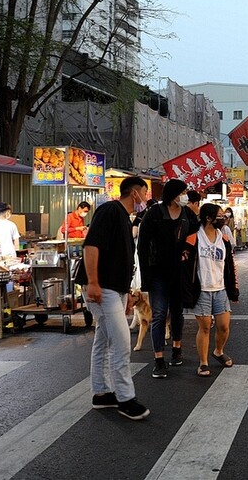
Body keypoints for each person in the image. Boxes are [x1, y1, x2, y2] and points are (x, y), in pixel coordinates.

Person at [77, 176, 150, 420]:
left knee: (105, 340)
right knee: (121, 342)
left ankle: (101, 393)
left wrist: (128, 292)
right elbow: (91, 247)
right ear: (135, 193)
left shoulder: (124, 218)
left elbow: (122, 260)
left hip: (116, 289)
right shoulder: (110, 210)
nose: (146, 198)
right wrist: (94, 282)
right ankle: (125, 398)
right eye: (145, 192)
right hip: (102, 288)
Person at [137, 179, 199, 378]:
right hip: (158, 273)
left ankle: (177, 347)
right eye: (183, 192)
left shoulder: (188, 214)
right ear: (173, 194)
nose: (185, 196)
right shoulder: (154, 213)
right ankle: (159, 359)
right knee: (159, 314)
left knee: (177, 313)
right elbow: (143, 246)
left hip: (180, 273)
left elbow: (197, 238)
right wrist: (145, 276)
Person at [182, 203, 240, 378]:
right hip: (202, 290)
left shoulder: (224, 239)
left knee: (223, 326)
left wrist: (234, 289)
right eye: (220, 216)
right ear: (208, 218)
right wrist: (187, 292)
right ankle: (203, 363)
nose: (223, 218)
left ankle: (219, 351)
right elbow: (185, 268)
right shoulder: (193, 238)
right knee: (205, 327)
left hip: (221, 289)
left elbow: (230, 265)